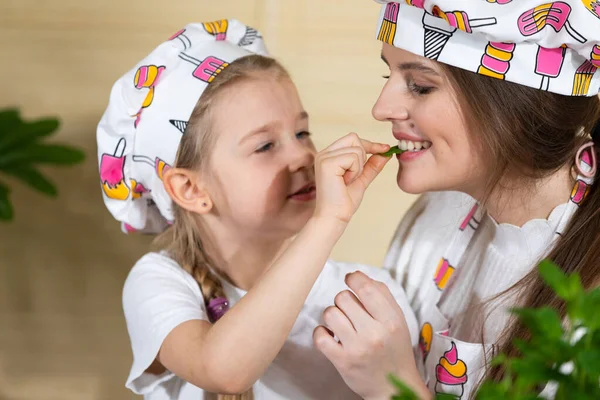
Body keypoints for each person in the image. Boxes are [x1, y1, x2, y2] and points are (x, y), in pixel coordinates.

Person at [96, 19, 419, 399]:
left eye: (302, 133)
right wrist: (327, 221)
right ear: (190, 189)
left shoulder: (365, 296)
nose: (302, 156)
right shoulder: (161, 283)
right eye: (265, 146)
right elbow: (224, 371)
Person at [314, 1, 600, 399]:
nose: (381, 108)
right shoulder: (436, 217)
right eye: (388, 73)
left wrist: (393, 390)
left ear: (514, 102)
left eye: (420, 85)